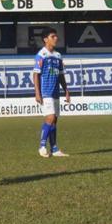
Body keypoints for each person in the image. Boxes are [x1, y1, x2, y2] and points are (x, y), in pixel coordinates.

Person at [33, 28, 70, 157]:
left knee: (55, 120)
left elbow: (60, 75)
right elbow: (36, 75)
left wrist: (66, 91)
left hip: (55, 92)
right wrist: (37, 93)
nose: (56, 38)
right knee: (50, 117)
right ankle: (42, 146)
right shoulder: (41, 55)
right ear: (45, 39)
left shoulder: (58, 56)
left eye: (56, 36)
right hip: (46, 91)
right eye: (53, 36)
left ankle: (54, 149)